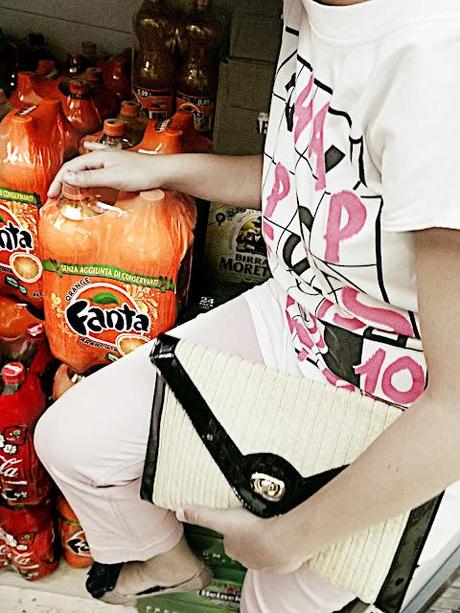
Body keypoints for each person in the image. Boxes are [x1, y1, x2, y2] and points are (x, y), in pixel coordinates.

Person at [35, 0, 460, 610]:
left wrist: (289, 538)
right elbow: (315, 181)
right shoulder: (317, 9)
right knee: (75, 441)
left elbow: (455, 411)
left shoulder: (438, 61)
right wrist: (160, 171)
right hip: (297, 318)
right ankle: (169, 565)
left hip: (397, 402)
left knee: (274, 594)